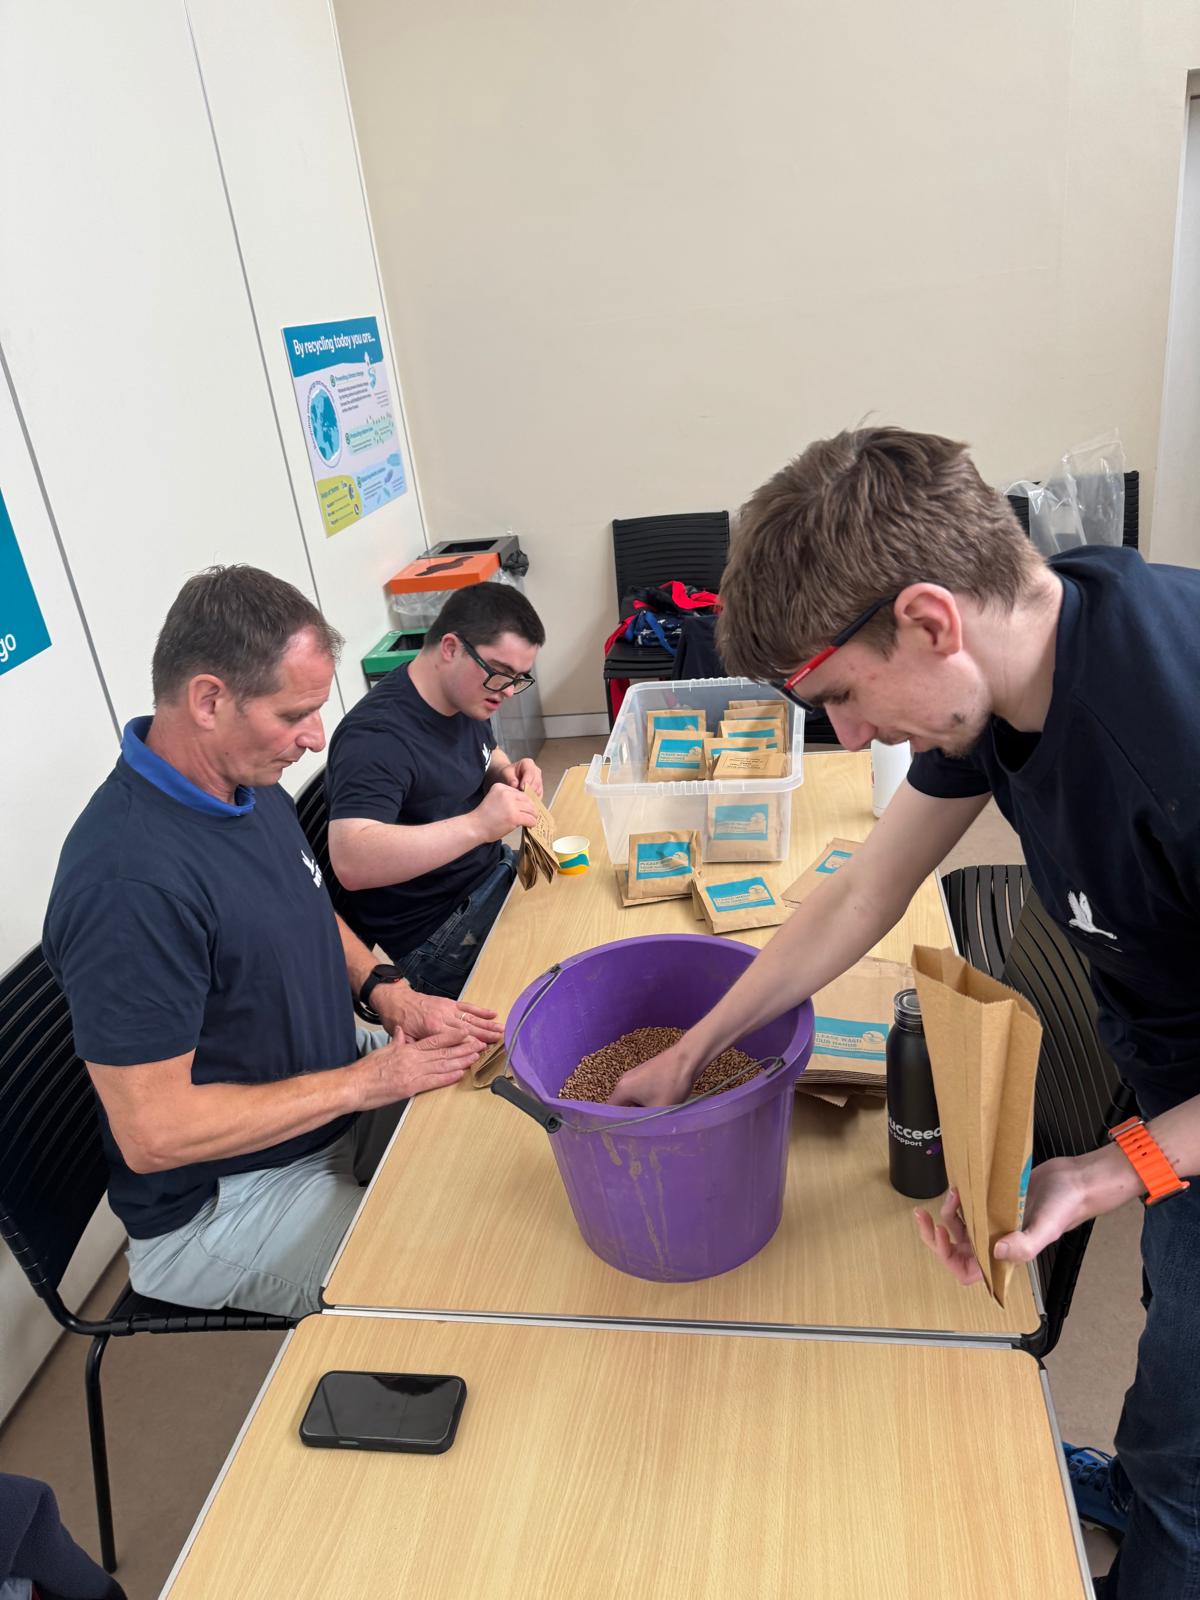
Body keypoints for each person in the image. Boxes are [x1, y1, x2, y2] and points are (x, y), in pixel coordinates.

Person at [609, 426, 1200, 1600]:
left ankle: (1165, 1525)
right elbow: (862, 892)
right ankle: (1145, 1477)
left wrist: (1111, 1168)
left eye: (839, 695)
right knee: (1172, 1328)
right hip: (1168, 1040)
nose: (848, 734)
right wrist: (694, 1048)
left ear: (928, 621)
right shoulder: (1020, 656)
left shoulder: (1171, 747)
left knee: (1192, 1452)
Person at [44, 566, 497, 1319]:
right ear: (209, 700)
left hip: (326, 1085)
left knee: (496, 1118)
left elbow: (306, 905)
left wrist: (388, 990)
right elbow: (154, 1133)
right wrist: (367, 1083)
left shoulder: (245, 786)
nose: (316, 738)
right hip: (226, 1201)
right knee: (456, 1288)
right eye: (296, 714)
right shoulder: (129, 886)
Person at [326, 582, 546, 1000]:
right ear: (450, 648)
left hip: (491, 872)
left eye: (518, 678)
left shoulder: (466, 696)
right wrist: (479, 825)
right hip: (439, 931)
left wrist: (505, 772)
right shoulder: (377, 737)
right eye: (500, 673)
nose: (507, 691)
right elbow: (351, 861)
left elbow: (485, 752)